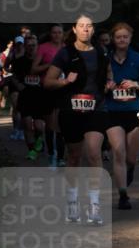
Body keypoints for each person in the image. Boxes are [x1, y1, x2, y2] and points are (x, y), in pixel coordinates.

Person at [44, 13, 113, 225]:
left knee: (93, 152)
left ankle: (94, 205)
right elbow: (47, 82)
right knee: (74, 156)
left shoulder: (101, 51)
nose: (86, 29)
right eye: (81, 26)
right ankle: (72, 201)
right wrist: (65, 82)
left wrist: (110, 82)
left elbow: (109, 73)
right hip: (71, 110)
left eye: (89, 26)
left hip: (96, 108)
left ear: (93, 30)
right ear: (74, 29)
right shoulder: (65, 54)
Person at [105, 22, 139, 210]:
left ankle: (129, 170)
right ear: (113, 40)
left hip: (134, 112)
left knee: (131, 158)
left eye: (125, 37)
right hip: (112, 111)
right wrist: (106, 86)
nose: (122, 40)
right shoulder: (105, 59)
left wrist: (136, 85)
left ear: (130, 39)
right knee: (118, 152)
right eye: (118, 37)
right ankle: (123, 195)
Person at [33, 23, 66, 168]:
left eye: (59, 32)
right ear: (50, 34)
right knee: (50, 125)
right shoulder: (43, 48)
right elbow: (34, 69)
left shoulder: (67, 48)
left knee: (61, 125)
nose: (57, 35)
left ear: (63, 34)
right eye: (54, 32)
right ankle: (51, 153)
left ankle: (60, 157)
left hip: (63, 89)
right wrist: (51, 65)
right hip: (47, 89)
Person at [10, 34, 46, 160]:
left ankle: (39, 139)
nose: (31, 48)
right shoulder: (19, 61)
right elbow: (13, 76)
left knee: (39, 126)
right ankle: (31, 150)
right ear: (25, 46)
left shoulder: (42, 60)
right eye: (28, 45)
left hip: (40, 97)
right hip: (25, 96)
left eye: (33, 45)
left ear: (38, 46)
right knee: (26, 124)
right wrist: (19, 86)